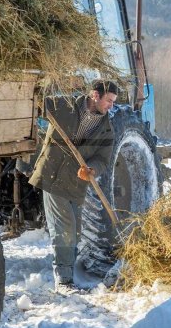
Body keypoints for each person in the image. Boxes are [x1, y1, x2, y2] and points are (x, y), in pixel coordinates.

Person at [29, 79, 118, 292]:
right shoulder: (65, 106)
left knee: (75, 231)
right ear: (95, 95)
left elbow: (103, 159)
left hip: (77, 183)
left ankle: (67, 273)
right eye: (109, 100)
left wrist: (92, 170)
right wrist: (37, 89)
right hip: (53, 175)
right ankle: (63, 280)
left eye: (113, 102)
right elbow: (36, 103)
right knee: (64, 227)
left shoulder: (107, 129)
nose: (111, 106)